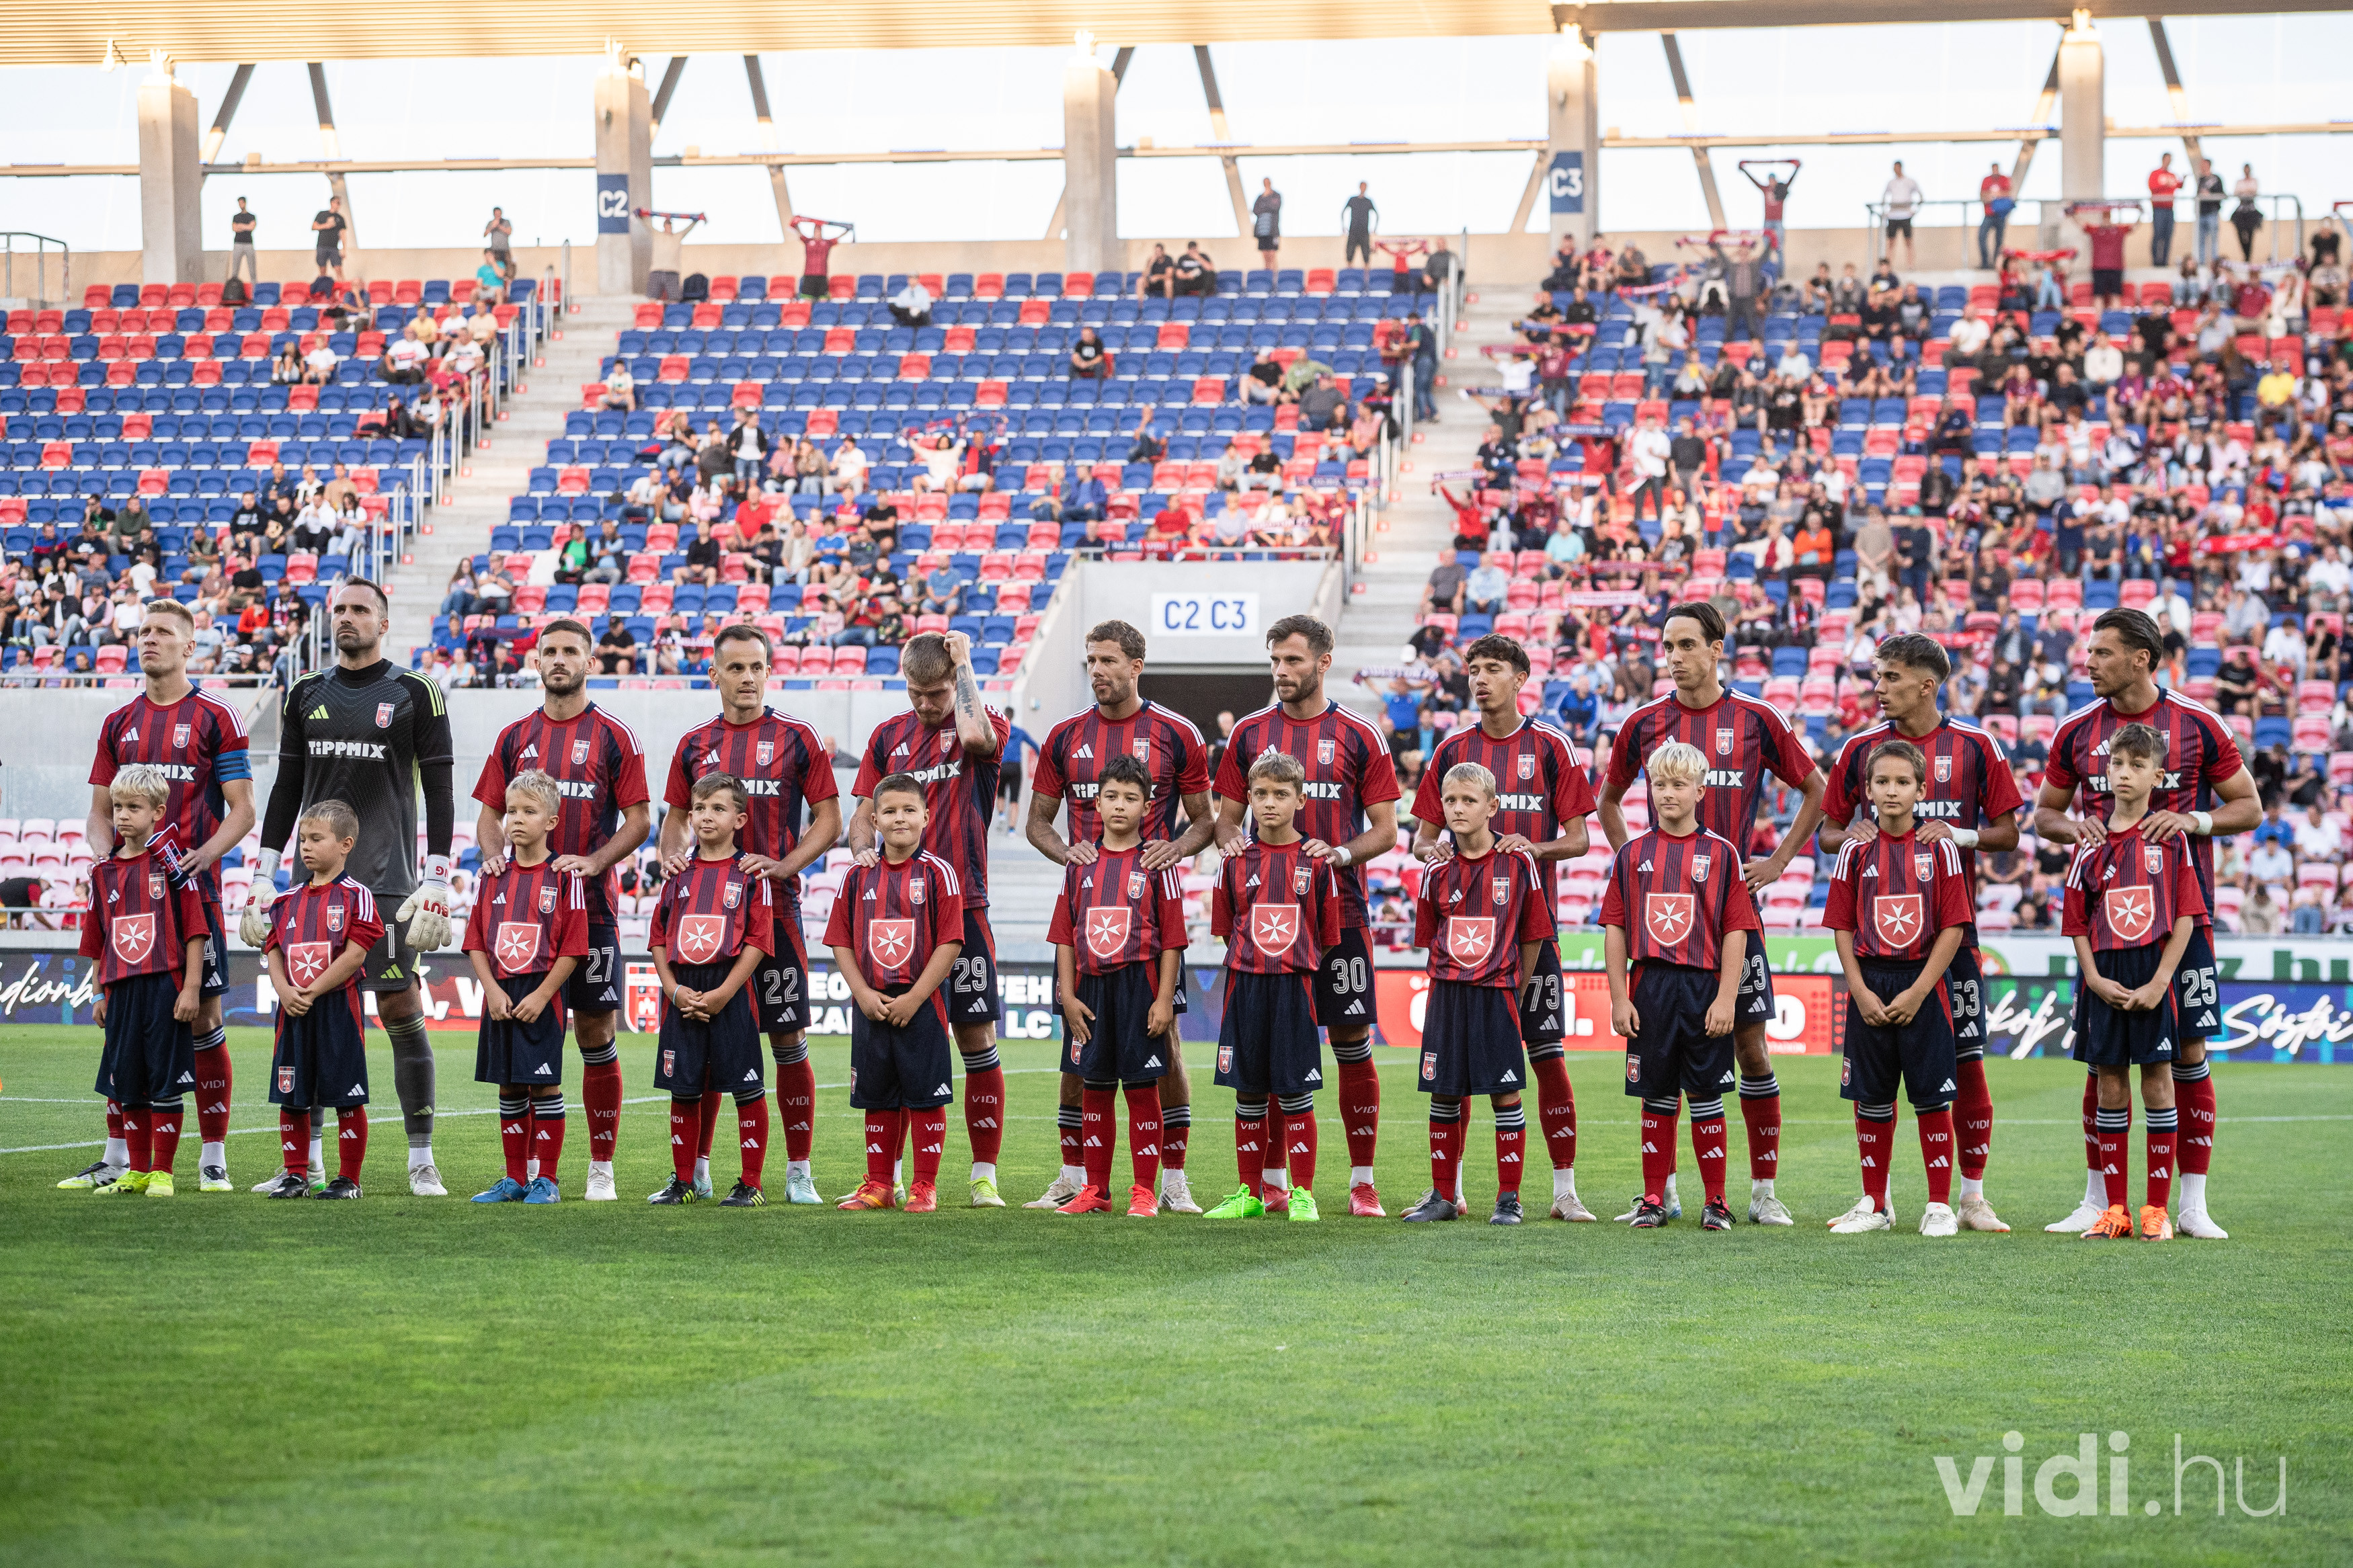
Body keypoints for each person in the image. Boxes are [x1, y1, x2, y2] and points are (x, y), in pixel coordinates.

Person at [2036, 608, 2257, 1240]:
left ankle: (2190, 1204)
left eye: (2102, 652)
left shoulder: (2197, 723)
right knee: (2101, 1062)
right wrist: (2072, 827)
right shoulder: (2077, 730)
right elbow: (2045, 814)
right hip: (2107, 928)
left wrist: (2194, 820)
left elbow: (2249, 806)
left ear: (2141, 658)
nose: (2089, 662)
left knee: (2188, 1055)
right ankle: (2097, 1200)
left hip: (2182, 923)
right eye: (2090, 651)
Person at [1599, 601, 1822, 1224]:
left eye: (1687, 645)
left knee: (1750, 1050)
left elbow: (1817, 789)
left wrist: (1777, 861)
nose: (1674, 657)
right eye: (1667, 646)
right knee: (1661, 1060)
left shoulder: (1756, 718)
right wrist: (1637, 867)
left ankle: (1762, 1192)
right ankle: (1664, 1193)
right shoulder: (1643, 722)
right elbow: (1608, 799)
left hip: (1729, 922)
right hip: (1664, 927)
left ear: (1717, 648)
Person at [241, 581, 456, 1197]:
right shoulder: (305, 692)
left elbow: (440, 790)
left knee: (399, 1007)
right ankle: (306, 1163)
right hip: (311, 886)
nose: (347, 618)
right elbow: (286, 788)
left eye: (360, 610)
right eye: (339, 609)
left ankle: (421, 1158)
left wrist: (437, 877)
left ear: (383, 623)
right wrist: (264, 872)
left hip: (388, 885)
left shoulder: (415, 692)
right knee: (305, 1011)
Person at [1817, 634, 2024, 1231]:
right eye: (1877, 676)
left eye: (1890, 677)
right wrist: (1852, 833)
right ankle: (1877, 1200)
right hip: (1879, 943)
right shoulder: (1859, 749)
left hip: (1950, 937)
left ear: (1926, 685)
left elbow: (2009, 832)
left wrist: (1959, 835)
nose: (1878, 688)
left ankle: (1971, 1197)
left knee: (1968, 1062)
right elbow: (1829, 833)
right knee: (1877, 1077)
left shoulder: (1977, 745)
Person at [1022, 622, 1218, 1212]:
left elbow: (1205, 820)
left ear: (1137, 665)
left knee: (1167, 1043)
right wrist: (1069, 853)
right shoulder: (1065, 736)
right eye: (1091, 660)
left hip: (1146, 918)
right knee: (1077, 1046)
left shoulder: (1177, 733)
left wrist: (1172, 850)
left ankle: (1171, 1178)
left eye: (1108, 660)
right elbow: (1037, 822)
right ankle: (1075, 1174)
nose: (1097, 670)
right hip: (1087, 914)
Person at [62, 600, 255, 1194]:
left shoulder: (217, 715)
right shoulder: (118, 722)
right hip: (129, 904)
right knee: (123, 1023)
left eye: (163, 632)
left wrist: (202, 856)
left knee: (204, 1018)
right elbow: (98, 813)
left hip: (193, 896)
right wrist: (107, 863)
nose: (149, 639)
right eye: (143, 631)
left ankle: (213, 1157)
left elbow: (243, 810)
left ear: (189, 646)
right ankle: (117, 1158)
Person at [1211, 616, 1402, 1216]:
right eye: (1275, 660)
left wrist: (1339, 854)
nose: (1281, 671)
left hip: (1340, 914)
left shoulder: (1360, 734)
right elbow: (1225, 821)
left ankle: (1362, 1182)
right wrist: (1236, 850)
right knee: (1268, 1049)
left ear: (1323, 662)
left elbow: (1387, 830)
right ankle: (1270, 1184)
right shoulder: (1249, 732)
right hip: (1265, 925)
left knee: (1351, 1040)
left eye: (1292, 660)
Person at [650, 625, 840, 1200]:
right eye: (736, 668)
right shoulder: (693, 743)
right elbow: (674, 818)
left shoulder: (797, 736)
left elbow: (829, 821)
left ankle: (799, 1170)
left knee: (787, 1038)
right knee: (702, 1035)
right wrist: (670, 857)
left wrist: (783, 866)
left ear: (769, 671)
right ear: (715, 674)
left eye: (757, 666)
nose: (749, 677)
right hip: (705, 918)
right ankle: (697, 1171)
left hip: (773, 914)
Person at [1408, 634, 1595, 1217]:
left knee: (1546, 1055)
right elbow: (1421, 839)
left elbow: (1579, 839)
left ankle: (1564, 1190)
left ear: (1520, 678)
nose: (1479, 678)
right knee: (1454, 1067)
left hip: (1530, 932)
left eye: (1493, 668)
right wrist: (1434, 851)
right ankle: (1453, 1191)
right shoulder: (1451, 749)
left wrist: (1531, 847)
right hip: (1466, 938)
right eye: (1473, 669)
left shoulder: (1551, 745)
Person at [469, 620, 653, 1202]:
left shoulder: (615, 735)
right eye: (549, 651)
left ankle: (601, 1166)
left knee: (595, 1031)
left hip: (588, 911)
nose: (559, 659)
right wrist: (495, 860)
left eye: (571, 650)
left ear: (590, 662)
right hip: (521, 921)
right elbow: (488, 814)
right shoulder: (514, 735)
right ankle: (525, 1173)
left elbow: (640, 820)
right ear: (537, 662)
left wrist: (595, 861)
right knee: (521, 1032)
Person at [848, 632, 1010, 1206]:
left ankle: (984, 1174)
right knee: (893, 1041)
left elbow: (977, 737)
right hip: (894, 916)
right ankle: (887, 1177)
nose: (924, 704)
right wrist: (861, 851)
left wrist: (964, 666)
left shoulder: (978, 721)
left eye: (936, 692)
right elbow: (862, 814)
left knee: (975, 1036)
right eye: (915, 692)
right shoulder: (886, 736)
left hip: (963, 905)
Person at [1599, 741, 1757, 1231]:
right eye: (1660, 784)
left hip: (1703, 987)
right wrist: (1620, 996)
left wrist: (1727, 997)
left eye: (1679, 785)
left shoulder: (1721, 853)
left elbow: (1736, 930)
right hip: (1650, 985)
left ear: (1701, 791)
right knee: (1657, 1096)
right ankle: (1654, 1199)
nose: (1668, 793)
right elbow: (1615, 928)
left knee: (1707, 1097)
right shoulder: (1632, 853)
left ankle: (1716, 1201)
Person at [1821, 739, 1972, 1236]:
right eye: (1882, 782)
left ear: (1921, 790)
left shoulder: (1940, 849)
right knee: (1872, 1097)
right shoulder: (1853, 850)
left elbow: (1954, 927)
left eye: (1903, 782)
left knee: (1931, 1097)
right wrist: (1859, 991)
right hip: (1870, 981)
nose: (1892, 790)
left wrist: (1920, 991)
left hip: (1922, 984)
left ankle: (1939, 1205)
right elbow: (1842, 925)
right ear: (1867, 790)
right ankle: (1875, 1203)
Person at [2061, 721, 2203, 1242]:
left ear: (2157, 776)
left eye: (2137, 765)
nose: (2125, 773)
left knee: (2159, 1081)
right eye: (2117, 763)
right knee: (2111, 1083)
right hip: (2104, 975)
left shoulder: (2171, 840)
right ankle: (2116, 1210)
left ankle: (2157, 1211)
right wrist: (2094, 979)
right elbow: (2076, 921)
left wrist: (2162, 980)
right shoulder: (2089, 843)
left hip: (2151, 973)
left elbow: (2186, 916)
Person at [1400, 761, 1555, 1226]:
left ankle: (1509, 1199)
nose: (1458, 808)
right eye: (1450, 800)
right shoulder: (1436, 868)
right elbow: (1429, 935)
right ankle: (1443, 1196)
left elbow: (1534, 933)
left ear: (1492, 806)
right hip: (1447, 995)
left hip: (1496, 993)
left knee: (1505, 1094)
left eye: (1469, 800)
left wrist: (1516, 986)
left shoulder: (1519, 861)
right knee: (1443, 1093)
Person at [1201, 749, 1344, 1221]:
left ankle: (1303, 1194)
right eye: (1260, 793)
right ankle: (1249, 1193)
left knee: (1296, 1093)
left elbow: (1328, 935)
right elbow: (1226, 929)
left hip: (1293, 988)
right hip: (1246, 986)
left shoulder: (1317, 861)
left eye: (1281, 794)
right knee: (1247, 1092)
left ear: (1300, 800)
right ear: (1247, 797)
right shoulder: (1234, 860)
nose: (1269, 802)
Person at [1044, 754, 1188, 1218]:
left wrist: (1163, 999)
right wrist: (1068, 997)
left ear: (1147, 806)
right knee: (1095, 1086)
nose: (1120, 805)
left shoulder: (1157, 864)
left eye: (1130, 797)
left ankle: (1143, 1190)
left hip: (1139, 986)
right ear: (1096, 803)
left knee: (1142, 1088)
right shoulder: (1079, 864)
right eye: (1111, 796)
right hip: (1091, 990)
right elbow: (1064, 936)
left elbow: (1173, 939)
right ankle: (1096, 1189)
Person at [826, 773, 965, 1212]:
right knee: (877, 1097)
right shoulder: (857, 875)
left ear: (926, 816)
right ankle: (880, 1185)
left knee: (926, 1097)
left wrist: (916, 998)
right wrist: (862, 993)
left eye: (909, 810)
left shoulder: (939, 872)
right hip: (871, 1003)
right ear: (874, 820)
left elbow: (950, 942)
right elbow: (840, 940)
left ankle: (924, 1186)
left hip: (921, 1003)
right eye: (889, 811)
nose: (899, 818)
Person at [75, 765, 211, 1198]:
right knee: (128, 1082)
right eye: (117, 807)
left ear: (157, 811)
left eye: (133, 807)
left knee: (165, 1082)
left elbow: (195, 929)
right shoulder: (103, 872)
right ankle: (136, 1171)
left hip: (164, 987)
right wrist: (98, 992)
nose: (122, 815)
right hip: (121, 990)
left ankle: (163, 1172)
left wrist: (192, 987)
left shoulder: (172, 865)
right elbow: (97, 938)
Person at [645, 775, 776, 1208]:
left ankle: (751, 1184)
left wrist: (723, 993)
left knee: (746, 1088)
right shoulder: (677, 873)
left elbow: (759, 940)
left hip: (731, 991)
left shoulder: (752, 874)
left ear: (739, 819)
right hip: (683, 991)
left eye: (718, 808)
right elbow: (658, 937)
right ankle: (685, 1181)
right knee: (684, 1088)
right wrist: (672, 990)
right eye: (700, 808)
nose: (706, 817)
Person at [462, 772, 589, 1205]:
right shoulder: (492, 875)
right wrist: (491, 991)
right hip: (500, 992)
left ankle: (547, 1180)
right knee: (509, 1087)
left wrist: (542, 994)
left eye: (529, 812)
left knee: (544, 1086)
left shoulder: (566, 877)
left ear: (551, 821)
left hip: (541, 994)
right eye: (511, 811)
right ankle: (515, 1178)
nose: (516, 819)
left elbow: (574, 947)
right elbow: (475, 940)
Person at [257, 800, 385, 1199]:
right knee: (292, 1094)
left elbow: (356, 954)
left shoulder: (357, 896)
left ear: (346, 844)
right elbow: (273, 948)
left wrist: (312, 990)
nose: (306, 847)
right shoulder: (286, 900)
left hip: (337, 1010)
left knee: (347, 1096)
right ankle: (296, 1175)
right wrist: (283, 990)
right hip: (292, 1011)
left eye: (316, 839)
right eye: (302, 840)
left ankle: (348, 1180)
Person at [791, 215, 850, 300]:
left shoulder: (827, 243)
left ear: (821, 232)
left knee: (823, 300)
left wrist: (848, 229)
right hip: (809, 275)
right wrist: (796, 223)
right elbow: (798, 230)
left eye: (819, 230)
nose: (817, 232)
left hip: (822, 276)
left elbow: (839, 237)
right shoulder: (807, 241)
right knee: (807, 299)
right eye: (816, 230)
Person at [1880, 160, 1922, 270]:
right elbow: (1884, 197)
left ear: (1901, 168)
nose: (1895, 170)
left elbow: (1921, 196)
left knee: (1908, 241)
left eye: (1897, 168)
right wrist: (1886, 211)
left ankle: (1910, 265)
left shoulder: (1910, 181)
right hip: (1893, 216)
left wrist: (1914, 211)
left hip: (1906, 215)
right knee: (1891, 242)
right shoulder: (1891, 183)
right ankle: (1888, 267)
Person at [2147, 152, 2183, 267]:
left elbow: (2179, 186)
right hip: (2158, 209)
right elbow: (2152, 187)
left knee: (2168, 236)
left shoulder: (2172, 175)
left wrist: (2184, 180)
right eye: (2167, 159)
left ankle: (2164, 262)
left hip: (2169, 209)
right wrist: (2165, 184)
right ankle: (2156, 262)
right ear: (2163, 159)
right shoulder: (2155, 174)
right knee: (2158, 235)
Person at [1977, 163, 2013, 270]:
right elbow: (1982, 195)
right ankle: (1985, 263)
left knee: (1999, 241)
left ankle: (1996, 264)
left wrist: (1994, 195)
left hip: (2000, 215)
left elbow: (2008, 193)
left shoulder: (2004, 179)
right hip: (1989, 214)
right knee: (1981, 236)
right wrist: (1995, 196)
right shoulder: (1986, 180)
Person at [2194, 157, 2225, 266]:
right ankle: (2201, 263)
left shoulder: (2216, 179)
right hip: (2201, 213)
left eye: (2203, 165)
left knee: (2213, 239)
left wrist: (2210, 195)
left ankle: (2214, 264)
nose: (2201, 167)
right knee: (2200, 239)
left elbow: (2222, 194)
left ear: (2208, 165)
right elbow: (2198, 195)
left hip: (2212, 213)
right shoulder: (2201, 180)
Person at [2229, 163, 2263, 263]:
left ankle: (2248, 257)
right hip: (2241, 211)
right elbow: (2236, 192)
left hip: (2251, 211)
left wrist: (2245, 192)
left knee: (2250, 234)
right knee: (2240, 233)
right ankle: (2246, 256)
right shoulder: (2240, 182)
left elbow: (2254, 191)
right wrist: (2247, 191)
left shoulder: (2254, 181)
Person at [311, 195, 348, 282]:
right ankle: (323, 287)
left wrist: (344, 249)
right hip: (322, 246)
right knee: (322, 270)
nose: (338, 205)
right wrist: (326, 225)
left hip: (334, 247)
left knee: (338, 269)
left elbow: (343, 234)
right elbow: (314, 227)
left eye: (339, 203)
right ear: (332, 203)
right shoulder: (322, 214)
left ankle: (342, 287)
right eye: (337, 203)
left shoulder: (340, 218)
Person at [1341, 182, 1378, 265]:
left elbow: (1377, 214)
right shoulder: (1353, 200)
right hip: (1353, 231)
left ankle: (1366, 272)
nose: (1363, 188)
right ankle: (1349, 271)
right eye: (1362, 186)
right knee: (1350, 254)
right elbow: (1343, 212)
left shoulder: (1368, 201)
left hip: (1364, 232)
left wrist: (1375, 228)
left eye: (1365, 187)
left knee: (1366, 255)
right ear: (1360, 187)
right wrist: (1343, 227)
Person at [1252, 177, 1283, 270]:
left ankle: (1274, 274)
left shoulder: (1276, 196)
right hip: (1262, 232)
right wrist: (1266, 207)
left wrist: (1264, 206)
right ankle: (1267, 274)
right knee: (1265, 255)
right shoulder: (1260, 198)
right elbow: (1255, 210)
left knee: (1272, 254)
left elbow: (1275, 207)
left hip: (1273, 231)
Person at [228, 196, 259, 285]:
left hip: (249, 244)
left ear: (245, 203)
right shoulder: (236, 217)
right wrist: (246, 226)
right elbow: (235, 228)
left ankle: (254, 288)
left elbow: (251, 227)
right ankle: (234, 287)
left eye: (242, 203)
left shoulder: (251, 216)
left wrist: (241, 226)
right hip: (238, 244)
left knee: (252, 269)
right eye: (239, 203)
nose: (240, 205)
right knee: (235, 270)